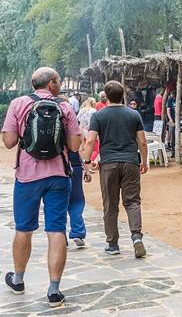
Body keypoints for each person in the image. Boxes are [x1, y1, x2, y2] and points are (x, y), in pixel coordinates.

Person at [2, 67, 82, 308]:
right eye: (58, 80)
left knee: (23, 229)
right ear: (52, 83)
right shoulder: (64, 106)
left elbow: (9, 142)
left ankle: (18, 280)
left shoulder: (18, 104)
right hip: (58, 177)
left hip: (27, 177)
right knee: (56, 230)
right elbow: (74, 145)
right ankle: (54, 291)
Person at [82, 80, 148, 258]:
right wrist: (144, 161)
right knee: (132, 202)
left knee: (110, 204)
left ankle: (112, 244)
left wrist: (87, 160)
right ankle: (136, 237)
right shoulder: (134, 114)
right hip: (131, 162)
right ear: (122, 95)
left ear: (106, 96)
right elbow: (142, 141)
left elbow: (90, 140)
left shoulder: (98, 116)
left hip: (108, 164)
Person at [68, 98, 97, 248]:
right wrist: (86, 169)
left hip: (53, 169)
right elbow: (80, 150)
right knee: (76, 200)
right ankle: (77, 232)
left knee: (56, 202)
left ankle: (58, 234)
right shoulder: (75, 129)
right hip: (74, 167)